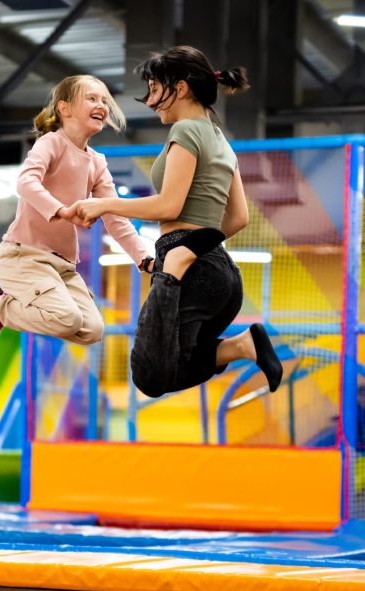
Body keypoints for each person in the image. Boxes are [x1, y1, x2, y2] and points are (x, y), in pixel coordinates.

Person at [73, 46, 282, 398]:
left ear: (181, 88)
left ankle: (186, 273)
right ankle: (241, 346)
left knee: (150, 374)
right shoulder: (221, 141)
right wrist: (203, 245)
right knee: (171, 366)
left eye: (155, 90)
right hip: (223, 276)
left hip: (185, 266)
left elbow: (170, 205)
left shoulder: (185, 131)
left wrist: (104, 204)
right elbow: (239, 217)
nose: (151, 101)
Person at [0, 75, 152, 356]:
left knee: (92, 329)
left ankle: (3, 311)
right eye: (91, 98)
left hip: (61, 267)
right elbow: (26, 182)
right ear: (64, 109)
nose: (101, 104)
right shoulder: (51, 143)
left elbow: (114, 216)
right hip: (23, 256)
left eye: (104, 100)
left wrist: (143, 258)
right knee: (68, 318)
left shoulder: (97, 163)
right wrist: (62, 211)